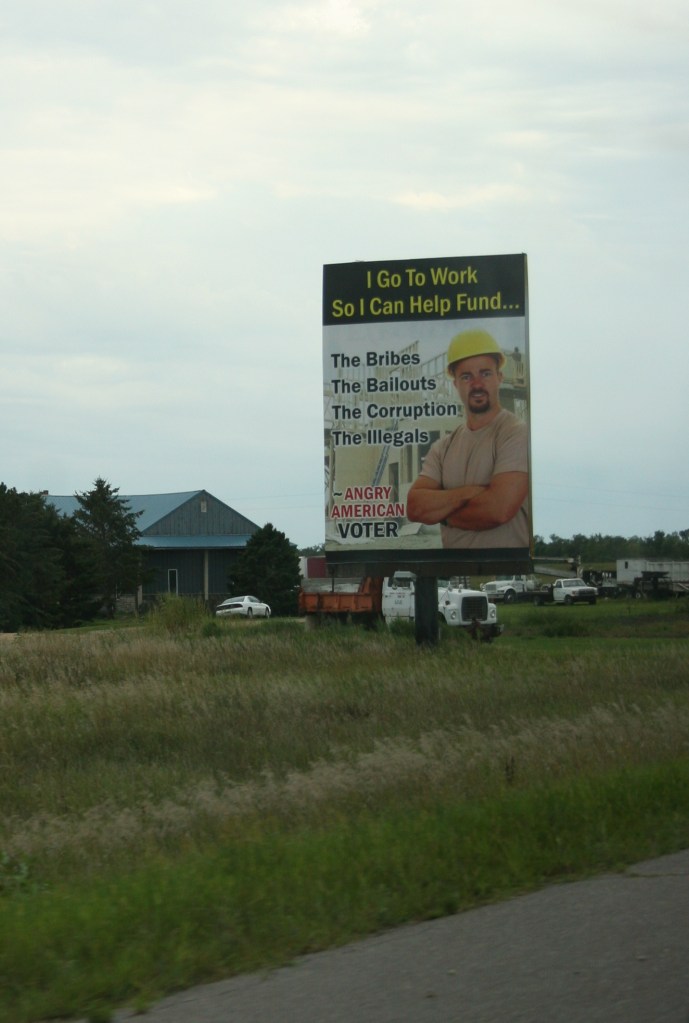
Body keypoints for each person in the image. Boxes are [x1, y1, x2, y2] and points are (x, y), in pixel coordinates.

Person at [406, 329, 529, 549]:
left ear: (499, 377)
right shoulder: (443, 447)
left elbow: (498, 510)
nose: (477, 384)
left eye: (485, 373)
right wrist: (472, 492)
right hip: (451, 569)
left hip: (505, 567)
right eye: (466, 376)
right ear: (456, 384)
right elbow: (415, 507)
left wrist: (441, 513)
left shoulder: (515, 432)